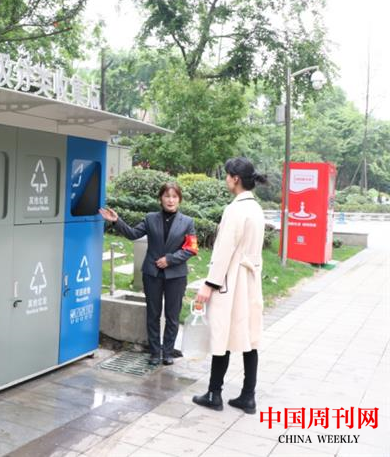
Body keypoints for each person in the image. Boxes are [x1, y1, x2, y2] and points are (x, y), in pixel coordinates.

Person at [192, 157, 267, 415]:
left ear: (235, 178)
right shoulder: (256, 208)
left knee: (221, 333)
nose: (225, 179)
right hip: (250, 280)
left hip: (231, 280)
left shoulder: (235, 209)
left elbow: (223, 251)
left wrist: (209, 284)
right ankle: (248, 396)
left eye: (227, 175)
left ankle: (214, 393)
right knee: (249, 336)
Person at [99, 182, 198, 366]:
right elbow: (133, 234)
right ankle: (154, 352)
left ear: (179, 199)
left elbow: (191, 249)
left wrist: (170, 259)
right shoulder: (151, 218)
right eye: (167, 196)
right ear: (160, 198)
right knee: (153, 314)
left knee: (172, 316)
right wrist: (116, 221)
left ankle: (167, 352)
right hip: (152, 274)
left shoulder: (187, 222)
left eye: (174, 196)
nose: (170, 200)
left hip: (176, 275)